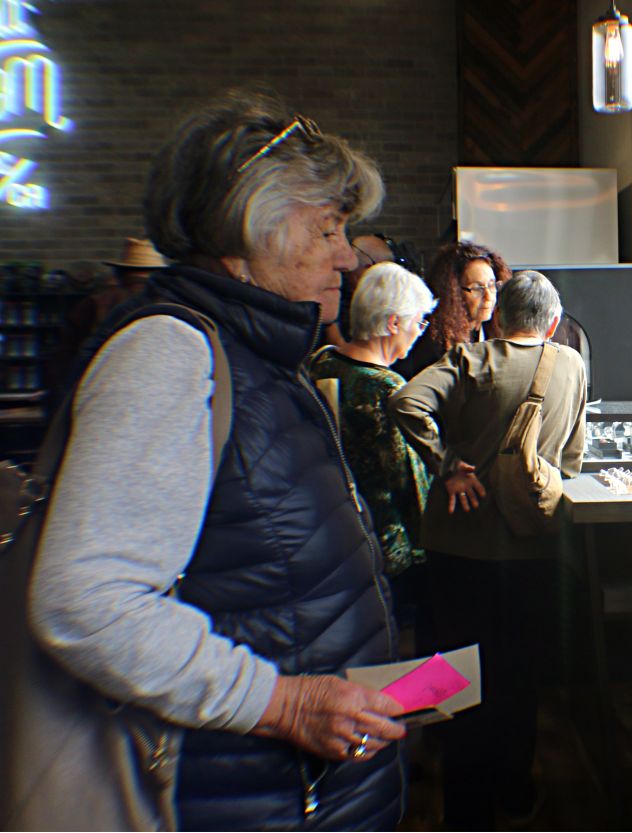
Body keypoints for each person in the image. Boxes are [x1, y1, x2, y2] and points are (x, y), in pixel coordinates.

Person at [24, 88, 408, 830]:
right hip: (241, 800)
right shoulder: (169, 353)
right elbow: (86, 600)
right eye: (328, 228)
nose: (347, 254)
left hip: (297, 791)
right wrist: (283, 702)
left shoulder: (259, 350)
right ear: (247, 233)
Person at [389, 270, 587, 828]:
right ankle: (516, 792)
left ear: (499, 319)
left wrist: (448, 465)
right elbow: (573, 454)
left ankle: (464, 810)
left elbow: (405, 402)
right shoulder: (569, 363)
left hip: (458, 543)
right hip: (531, 547)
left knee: (457, 673)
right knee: (519, 673)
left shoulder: (471, 361)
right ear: (552, 322)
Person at [309, 261, 436, 579]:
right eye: (418, 323)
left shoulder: (321, 362)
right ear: (394, 323)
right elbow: (411, 484)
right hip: (387, 546)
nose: (419, 333)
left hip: (331, 532)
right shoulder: (388, 388)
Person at [47, 237, 167, 395]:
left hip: (97, 389)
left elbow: (64, 356)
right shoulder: (169, 306)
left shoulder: (94, 303)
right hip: (153, 390)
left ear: (119, 274)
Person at [392, 240, 510, 380]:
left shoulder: (494, 330)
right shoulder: (431, 343)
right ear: (453, 293)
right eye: (477, 288)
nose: (489, 297)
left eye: (492, 285)